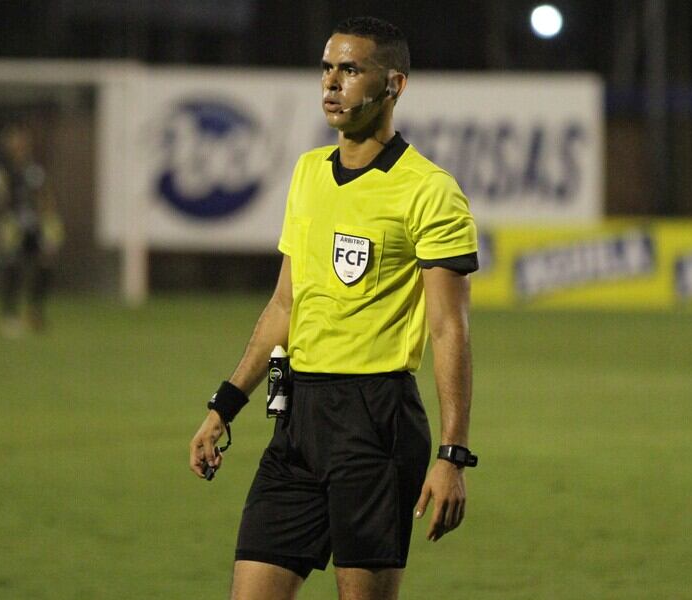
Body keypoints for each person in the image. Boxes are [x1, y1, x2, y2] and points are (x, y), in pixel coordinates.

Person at [188, 16, 480, 600]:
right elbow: (284, 305)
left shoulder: (430, 190)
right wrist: (225, 404)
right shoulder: (308, 173)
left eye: (350, 69)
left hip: (376, 421)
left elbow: (450, 329)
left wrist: (453, 455)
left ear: (394, 85)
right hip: (297, 418)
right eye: (327, 68)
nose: (331, 82)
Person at [0, 122, 63, 336]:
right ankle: (10, 315)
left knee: (44, 265)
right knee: (12, 268)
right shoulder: (3, 171)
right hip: (12, 226)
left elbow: (46, 196)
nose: (17, 144)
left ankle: (35, 311)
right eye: (12, 140)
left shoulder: (34, 169)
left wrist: (50, 223)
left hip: (35, 226)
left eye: (20, 139)